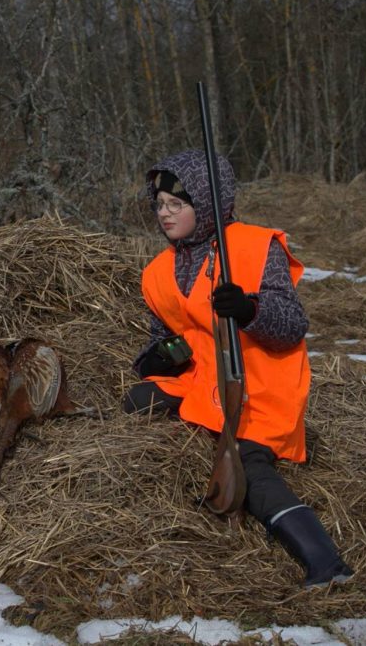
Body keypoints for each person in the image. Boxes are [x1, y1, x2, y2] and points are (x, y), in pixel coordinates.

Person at [121, 148, 353, 588]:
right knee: (139, 400)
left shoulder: (254, 246)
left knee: (246, 464)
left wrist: (250, 310)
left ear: (206, 203)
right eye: (159, 206)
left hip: (259, 386)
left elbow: (292, 326)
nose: (165, 215)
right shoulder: (158, 270)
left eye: (177, 204)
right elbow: (161, 338)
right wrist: (156, 358)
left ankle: (325, 561)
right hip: (199, 381)